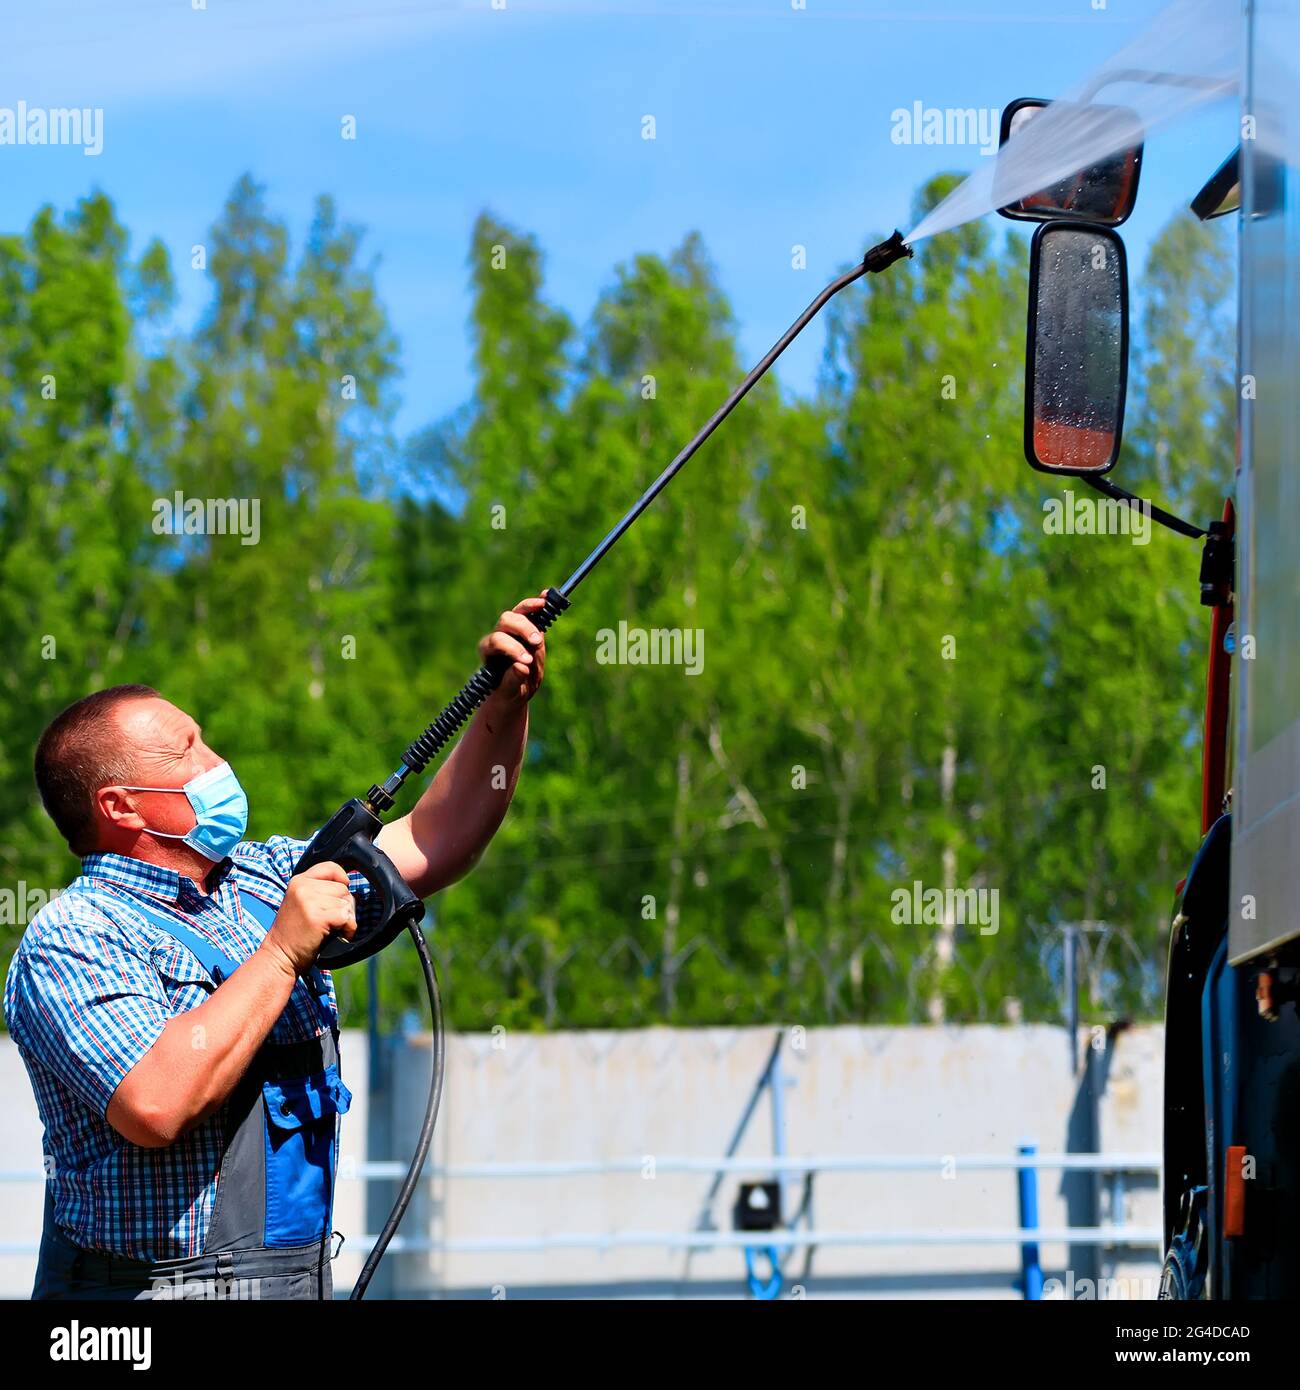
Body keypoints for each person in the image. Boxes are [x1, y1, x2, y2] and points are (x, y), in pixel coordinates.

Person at [3, 595, 550, 1300]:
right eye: (187, 750)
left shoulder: (263, 879)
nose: (215, 760)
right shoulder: (73, 935)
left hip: (295, 1284)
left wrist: (501, 709)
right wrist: (281, 955)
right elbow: (155, 1103)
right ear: (121, 806)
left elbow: (432, 841)